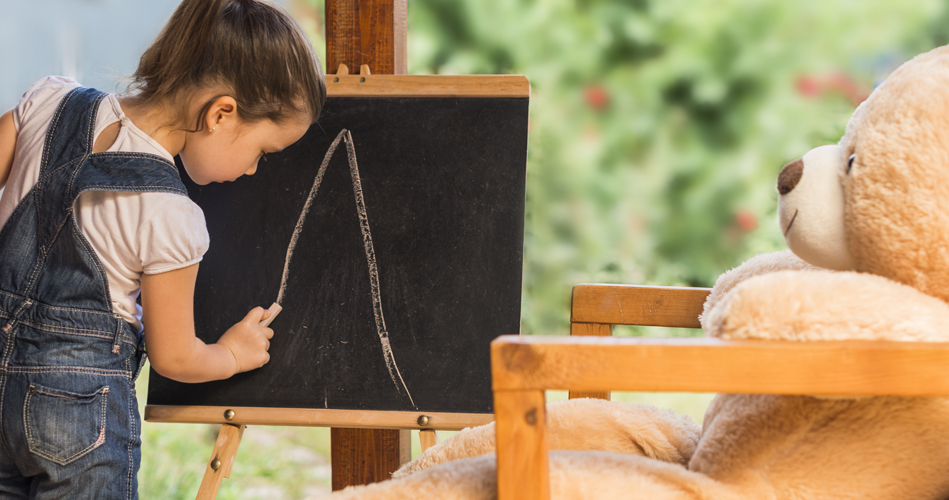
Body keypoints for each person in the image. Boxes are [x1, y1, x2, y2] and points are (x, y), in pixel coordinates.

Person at [0, 0, 326, 497]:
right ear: (221, 113)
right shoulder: (171, 215)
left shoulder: (46, 103)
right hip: (78, 419)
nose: (254, 170)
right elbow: (175, 355)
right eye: (263, 151)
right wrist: (231, 354)